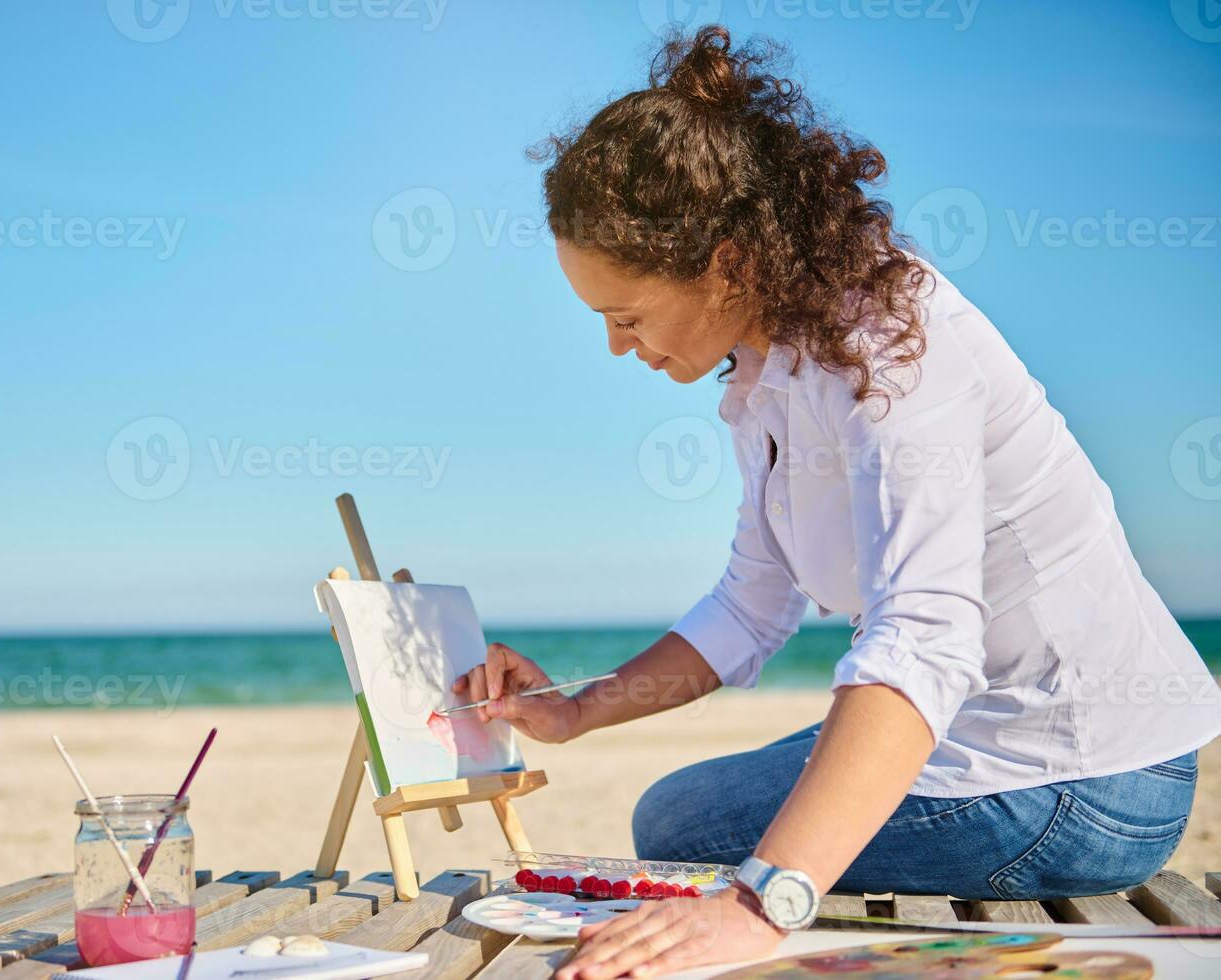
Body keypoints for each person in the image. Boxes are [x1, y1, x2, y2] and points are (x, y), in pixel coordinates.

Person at [452, 26, 1221, 979]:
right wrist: (577, 708)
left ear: (726, 265)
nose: (620, 348)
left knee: (683, 820)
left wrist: (761, 902)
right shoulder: (764, 375)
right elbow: (751, 603)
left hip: (1085, 778)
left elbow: (922, 632)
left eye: (627, 316)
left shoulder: (894, 342)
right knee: (681, 812)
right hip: (978, 736)